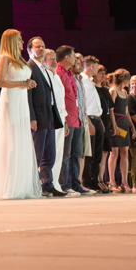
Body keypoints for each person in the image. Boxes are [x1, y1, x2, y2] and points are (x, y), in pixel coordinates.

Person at [0, 29, 42, 200]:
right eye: (19, 40)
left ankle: (23, 184)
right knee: (11, 138)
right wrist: (22, 83)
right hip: (11, 100)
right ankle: (10, 184)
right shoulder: (4, 57)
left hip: (21, 100)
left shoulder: (20, 59)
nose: (22, 42)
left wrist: (27, 83)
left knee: (21, 138)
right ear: (11, 41)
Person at [27, 38, 64, 196]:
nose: (41, 49)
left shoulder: (43, 67)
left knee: (50, 154)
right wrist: (32, 117)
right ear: (30, 50)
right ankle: (34, 184)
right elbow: (29, 95)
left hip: (49, 115)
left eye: (42, 46)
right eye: (37, 47)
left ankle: (47, 184)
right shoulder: (29, 67)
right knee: (38, 153)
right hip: (39, 116)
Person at [55, 47, 87, 195]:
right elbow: (59, 99)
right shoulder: (59, 73)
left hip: (77, 119)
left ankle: (76, 184)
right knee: (65, 155)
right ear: (67, 58)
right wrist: (65, 120)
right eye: (74, 56)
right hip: (67, 119)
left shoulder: (69, 73)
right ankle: (65, 185)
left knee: (76, 154)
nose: (76, 59)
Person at [79, 56, 107, 193]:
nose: (97, 70)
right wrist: (89, 121)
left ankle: (94, 180)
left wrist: (100, 120)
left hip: (97, 118)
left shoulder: (91, 82)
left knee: (97, 154)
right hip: (89, 118)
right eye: (96, 67)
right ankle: (87, 181)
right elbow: (83, 103)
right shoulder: (82, 80)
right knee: (89, 154)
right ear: (90, 67)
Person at [44, 49, 69, 193]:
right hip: (51, 118)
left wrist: (65, 121)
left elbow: (61, 100)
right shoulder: (45, 75)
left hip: (60, 117)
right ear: (44, 61)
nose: (54, 61)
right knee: (50, 154)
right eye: (51, 59)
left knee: (59, 153)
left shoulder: (56, 77)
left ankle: (56, 184)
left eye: (55, 59)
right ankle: (47, 183)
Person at [107, 69, 132, 193]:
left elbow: (126, 111)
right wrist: (114, 126)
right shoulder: (113, 90)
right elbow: (110, 110)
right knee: (114, 152)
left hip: (124, 124)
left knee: (125, 152)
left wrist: (132, 126)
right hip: (115, 123)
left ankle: (124, 182)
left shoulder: (125, 92)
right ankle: (112, 181)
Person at [93, 65, 115, 193]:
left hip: (106, 122)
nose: (102, 75)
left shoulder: (105, 90)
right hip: (97, 120)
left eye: (104, 73)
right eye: (100, 72)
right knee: (98, 152)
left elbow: (111, 109)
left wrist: (114, 125)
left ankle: (102, 179)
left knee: (106, 151)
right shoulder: (93, 88)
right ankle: (96, 179)